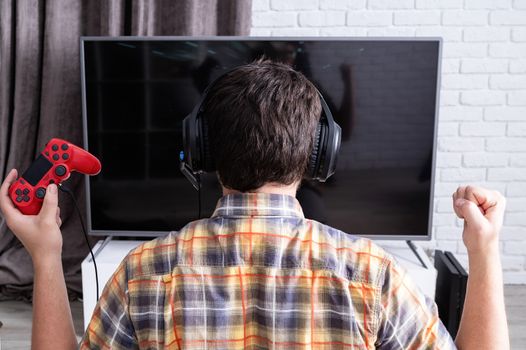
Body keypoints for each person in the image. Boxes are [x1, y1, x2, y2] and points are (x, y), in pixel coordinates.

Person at [0, 60, 509, 349]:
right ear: (318, 155)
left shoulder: (142, 274)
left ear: (200, 151)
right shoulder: (373, 274)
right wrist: (484, 252)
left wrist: (45, 256)